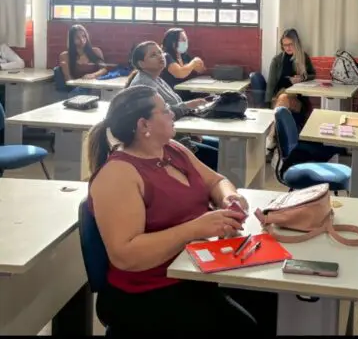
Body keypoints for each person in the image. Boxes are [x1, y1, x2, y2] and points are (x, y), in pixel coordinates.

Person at [86, 86, 276, 335]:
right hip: (146, 293)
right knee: (245, 328)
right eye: (165, 111)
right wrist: (194, 229)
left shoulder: (172, 149)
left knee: (270, 301)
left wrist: (229, 197)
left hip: (193, 271)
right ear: (144, 125)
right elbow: (125, 255)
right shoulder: (118, 175)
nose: (173, 114)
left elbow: (216, 181)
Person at [126, 41, 219, 170]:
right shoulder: (144, 84)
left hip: (178, 134)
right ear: (141, 64)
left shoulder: (156, 78)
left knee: (221, 146)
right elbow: (161, 115)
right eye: (153, 55)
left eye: (160, 52)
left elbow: (170, 108)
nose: (160, 56)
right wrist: (188, 105)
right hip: (163, 142)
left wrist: (190, 129)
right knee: (218, 156)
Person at [265, 29, 345, 170]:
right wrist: (266, 105)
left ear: (297, 43)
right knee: (283, 96)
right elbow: (271, 86)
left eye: (290, 44)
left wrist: (302, 78)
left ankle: (271, 140)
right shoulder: (277, 60)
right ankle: (272, 139)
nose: (288, 48)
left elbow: (313, 75)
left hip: (298, 100)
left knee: (287, 97)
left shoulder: (303, 58)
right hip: (279, 99)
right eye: (284, 45)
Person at [160, 28, 206, 99]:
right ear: (173, 43)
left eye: (186, 40)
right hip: (172, 95)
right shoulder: (166, 56)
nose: (186, 42)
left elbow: (201, 70)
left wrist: (199, 65)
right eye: (183, 40)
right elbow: (180, 74)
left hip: (187, 92)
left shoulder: (184, 56)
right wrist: (194, 63)